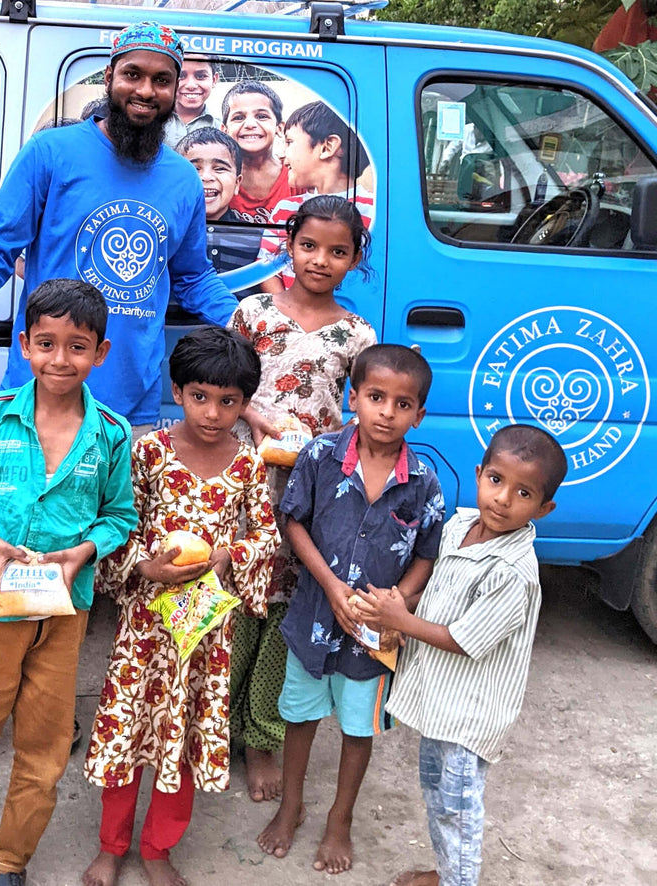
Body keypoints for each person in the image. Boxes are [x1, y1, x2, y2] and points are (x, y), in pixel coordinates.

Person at [0, 20, 239, 777]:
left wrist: (250, 328)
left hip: (125, 410)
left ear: (176, 92)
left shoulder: (177, 181)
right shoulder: (53, 154)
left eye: (160, 80)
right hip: (35, 407)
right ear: (110, 76)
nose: (145, 91)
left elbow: (193, 278)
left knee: (83, 558)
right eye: (133, 74)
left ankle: (45, 704)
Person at [0, 279, 137, 886]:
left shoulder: (113, 434)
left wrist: (84, 553)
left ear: (102, 352)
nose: (60, 359)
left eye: (77, 346)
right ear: (25, 345)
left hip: (64, 611)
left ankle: (9, 862)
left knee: (42, 749)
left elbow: (120, 515)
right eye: (46, 343)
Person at [81, 326, 280, 886]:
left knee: (187, 733)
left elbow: (265, 537)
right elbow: (118, 526)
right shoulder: (148, 452)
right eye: (199, 397)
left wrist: (224, 556)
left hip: (204, 631)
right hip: (145, 625)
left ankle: (158, 848)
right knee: (128, 728)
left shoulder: (247, 465)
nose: (213, 413)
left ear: (245, 404)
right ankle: (112, 844)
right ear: (176, 390)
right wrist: (146, 566)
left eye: (228, 401)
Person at [256, 344, 446, 875]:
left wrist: (398, 605)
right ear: (353, 398)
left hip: (376, 636)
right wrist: (333, 587)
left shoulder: (423, 481)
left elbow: (427, 553)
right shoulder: (319, 456)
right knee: (300, 716)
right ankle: (291, 807)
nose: (387, 412)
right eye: (376, 397)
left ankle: (340, 819)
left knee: (358, 728)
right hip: (315, 617)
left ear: (419, 414)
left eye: (402, 404)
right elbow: (293, 521)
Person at [356, 424, 567, 886]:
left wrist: (400, 620)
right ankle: (446, 871)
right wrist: (394, 607)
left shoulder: (514, 572)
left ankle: (459, 881)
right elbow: (434, 593)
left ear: (544, 508)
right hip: (441, 703)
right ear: (479, 474)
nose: (503, 499)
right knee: (437, 794)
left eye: (523, 492)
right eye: (496, 480)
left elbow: (464, 638)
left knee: (459, 807)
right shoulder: (457, 527)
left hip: (470, 715)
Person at [227, 195, 377, 804]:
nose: (320, 260)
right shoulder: (253, 313)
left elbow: (362, 415)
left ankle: (261, 739)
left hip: (308, 495)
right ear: (289, 244)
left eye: (337, 251)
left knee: (282, 614)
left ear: (353, 260)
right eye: (309, 245)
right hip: (241, 481)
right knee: (231, 601)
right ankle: (209, 721)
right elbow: (222, 387)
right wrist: (258, 416)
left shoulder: (356, 333)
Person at [258, 101, 375, 292]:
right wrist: (287, 316)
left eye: (289, 142)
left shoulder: (373, 210)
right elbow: (268, 269)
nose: (281, 154)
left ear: (327, 147)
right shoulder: (285, 209)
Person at [174, 127, 262, 278]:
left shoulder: (257, 239)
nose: (206, 177)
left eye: (220, 168)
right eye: (195, 168)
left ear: (237, 183)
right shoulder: (166, 233)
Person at [221, 81, 291, 224]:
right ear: (224, 130)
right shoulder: (215, 178)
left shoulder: (296, 177)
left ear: (279, 128)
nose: (250, 124)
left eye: (261, 116)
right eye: (239, 117)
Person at [164, 54, 220, 147]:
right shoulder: (152, 122)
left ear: (214, 80)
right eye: (181, 76)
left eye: (201, 76)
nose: (191, 85)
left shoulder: (222, 128)